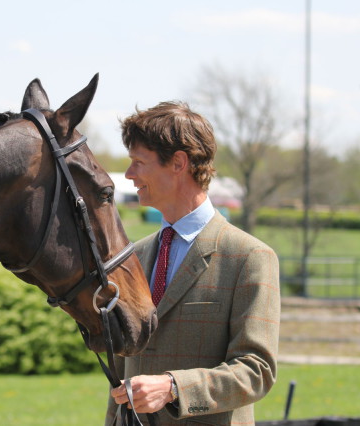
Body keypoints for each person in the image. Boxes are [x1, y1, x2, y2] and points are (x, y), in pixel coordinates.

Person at [105, 102, 280, 426]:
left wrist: (174, 388)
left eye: (138, 162)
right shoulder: (133, 258)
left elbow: (257, 370)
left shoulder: (250, 258)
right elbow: (120, 371)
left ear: (178, 163)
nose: (129, 175)